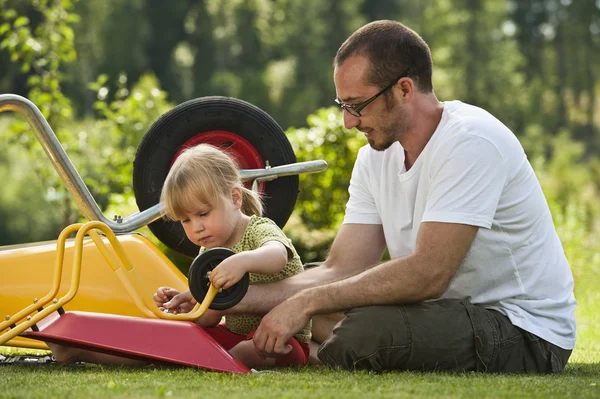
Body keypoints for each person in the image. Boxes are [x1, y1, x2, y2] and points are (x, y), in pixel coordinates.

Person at [166, 19, 576, 373]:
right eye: (342, 105)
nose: (347, 122)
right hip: (442, 312)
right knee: (295, 282)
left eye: (357, 105)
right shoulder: (374, 158)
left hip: (521, 329)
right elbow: (340, 269)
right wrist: (221, 298)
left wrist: (303, 304)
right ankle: (282, 339)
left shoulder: (470, 142)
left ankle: (304, 351)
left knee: (364, 329)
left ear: (403, 89)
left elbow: (428, 274)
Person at [49, 144, 311, 368]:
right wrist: (188, 305)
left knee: (247, 349)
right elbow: (210, 316)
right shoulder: (208, 249)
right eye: (185, 220)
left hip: (283, 339)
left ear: (234, 198)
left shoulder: (257, 229)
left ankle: (215, 362)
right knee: (179, 339)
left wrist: (242, 262)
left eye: (203, 214)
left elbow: (277, 256)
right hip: (236, 335)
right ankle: (78, 350)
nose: (196, 227)